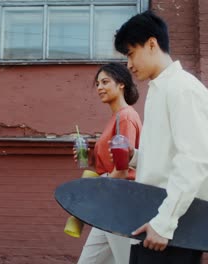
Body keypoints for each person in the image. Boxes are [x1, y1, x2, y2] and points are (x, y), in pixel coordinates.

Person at [113, 10, 208, 264]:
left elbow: (195, 160)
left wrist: (164, 223)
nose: (128, 64)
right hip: (153, 221)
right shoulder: (159, 90)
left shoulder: (184, 89)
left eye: (130, 53)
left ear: (151, 44)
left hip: (173, 231)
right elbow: (166, 158)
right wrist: (135, 157)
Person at [75, 62, 143, 264]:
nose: (99, 88)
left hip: (120, 199)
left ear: (121, 84)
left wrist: (96, 192)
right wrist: (89, 156)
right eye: (97, 84)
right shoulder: (117, 118)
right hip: (111, 197)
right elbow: (110, 164)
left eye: (105, 82)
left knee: (125, 260)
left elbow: (123, 170)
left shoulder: (125, 117)